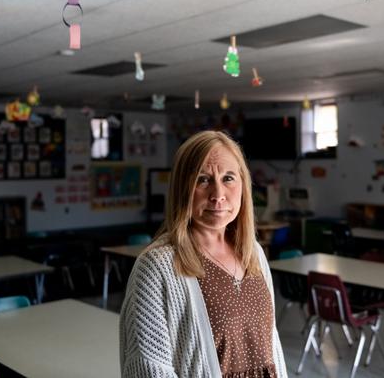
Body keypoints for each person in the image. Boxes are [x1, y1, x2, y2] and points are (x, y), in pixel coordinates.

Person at [120, 131, 287, 377]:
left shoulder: (253, 252)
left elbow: (271, 345)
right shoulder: (157, 266)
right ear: (182, 189)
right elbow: (148, 367)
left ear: (243, 185)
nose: (218, 194)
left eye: (228, 178)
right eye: (203, 180)